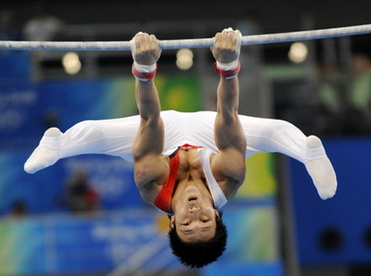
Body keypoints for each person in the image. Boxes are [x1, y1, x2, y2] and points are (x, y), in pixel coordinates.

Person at [24, 29, 337, 268]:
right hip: (211, 137)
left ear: (172, 222)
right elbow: (227, 115)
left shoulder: (152, 184)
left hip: (165, 135)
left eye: (187, 224)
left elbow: (150, 119)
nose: (195, 213)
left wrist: (144, 69)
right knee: (275, 131)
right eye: (205, 220)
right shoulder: (228, 178)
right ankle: (309, 151)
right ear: (217, 214)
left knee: (95, 133)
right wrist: (228, 63)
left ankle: (58, 142)